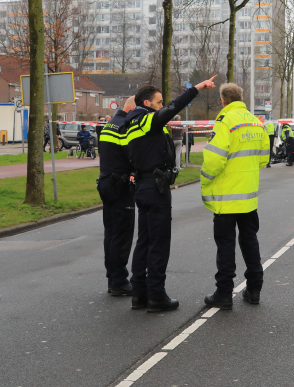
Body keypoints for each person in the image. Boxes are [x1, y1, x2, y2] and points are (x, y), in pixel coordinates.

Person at [124, 76, 217, 312]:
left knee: (144, 242)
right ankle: (156, 296)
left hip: (144, 186)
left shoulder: (131, 122)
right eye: (158, 102)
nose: (162, 106)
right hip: (156, 189)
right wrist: (197, 88)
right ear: (146, 103)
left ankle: (140, 294)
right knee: (159, 243)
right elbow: (174, 107)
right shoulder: (146, 120)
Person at [201, 83, 269, 310]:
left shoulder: (225, 121)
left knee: (226, 246)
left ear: (223, 100)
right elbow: (263, 159)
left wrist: (205, 178)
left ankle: (224, 294)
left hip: (226, 197)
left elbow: (214, 159)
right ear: (241, 98)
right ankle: (254, 289)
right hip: (249, 198)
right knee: (250, 241)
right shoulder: (255, 122)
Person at [96, 97, 138, 297]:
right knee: (122, 235)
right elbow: (132, 156)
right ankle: (120, 281)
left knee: (111, 233)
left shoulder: (109, 125)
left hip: (106, 182)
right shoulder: (124, 127)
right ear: (131, 109)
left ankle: (112, 278)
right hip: (120, 185)